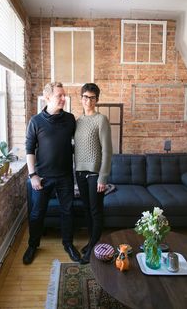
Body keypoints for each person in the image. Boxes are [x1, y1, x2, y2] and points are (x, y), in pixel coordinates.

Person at [23, 82, 81, 265]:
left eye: (64, 95)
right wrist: (33, 175)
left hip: (65, 176)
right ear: (47, 97)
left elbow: (77, 143)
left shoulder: (70, 119)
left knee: (67, 211)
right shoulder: (35, 121)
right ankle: (33, 245)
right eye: (59, 96)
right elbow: (29, 150)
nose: (64, 98)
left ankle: (68, 244)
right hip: (42, 177)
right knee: (36, 213)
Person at [74, 83, 112, 264]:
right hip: (80, 173)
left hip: (95, 175)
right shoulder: (78, 121)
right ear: (81, 98)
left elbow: (107, 151)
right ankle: (91, 243)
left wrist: (103, 176)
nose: (88, 101)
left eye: (92, 97)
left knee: (96, 211)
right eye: (85, 97)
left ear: (96, 100)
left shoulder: (101, 120)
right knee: (87, 211)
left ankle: (94, 247)